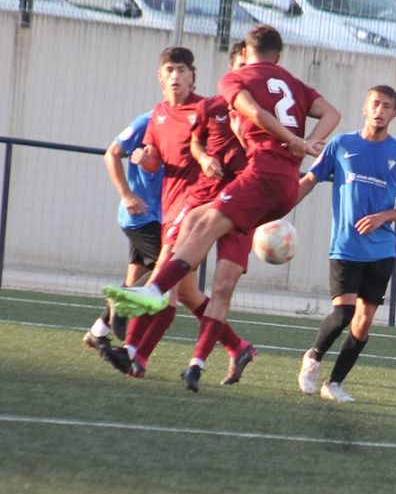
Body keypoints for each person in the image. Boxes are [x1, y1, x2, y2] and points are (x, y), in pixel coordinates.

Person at [104, 24, 341, 393]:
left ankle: (151, 300)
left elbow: (257, 114)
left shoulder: (234, 82)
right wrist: (307, 142)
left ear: (246, 54)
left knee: (202, 233)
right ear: (278, 56)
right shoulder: (292, 84)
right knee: (198, 223)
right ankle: (196, 354)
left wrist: (295, 140)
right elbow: (331, 113)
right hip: (277, 184)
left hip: (258, 178)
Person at [103, 43, 256, 386]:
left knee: (163, 280)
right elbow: (159, 159)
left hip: (196, 207)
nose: (176, 76)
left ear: (193, 76)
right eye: (170, 70)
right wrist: (146, 159)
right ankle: (239, 346)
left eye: (182, 70)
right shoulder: (157, 115)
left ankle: (134, 354)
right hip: (169, 207)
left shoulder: (206, 110)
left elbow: (228, 153)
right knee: (186, 293)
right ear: (160, 77)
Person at [295, 85, 396, 403]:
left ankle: (334, 383)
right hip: (346, 246)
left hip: (381, 250)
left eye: (387, 106)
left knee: (363, 324)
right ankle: (313, 356)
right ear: (365, 108)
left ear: (395, 113)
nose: (380, 110)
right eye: (375, 104)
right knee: (343, 314)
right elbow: (310, 179)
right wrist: (278, 208)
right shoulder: (341, 144)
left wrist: (384, 217)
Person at [82, 111, 162, 353]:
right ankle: (122, 303)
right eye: (170, 70)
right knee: (174, 266)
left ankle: (97, 332)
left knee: (133, 279)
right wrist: (126, 194)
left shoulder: (188, 122)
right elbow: (112, 154)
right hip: (141, 216)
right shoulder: (148, 121)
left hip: (158, 217)